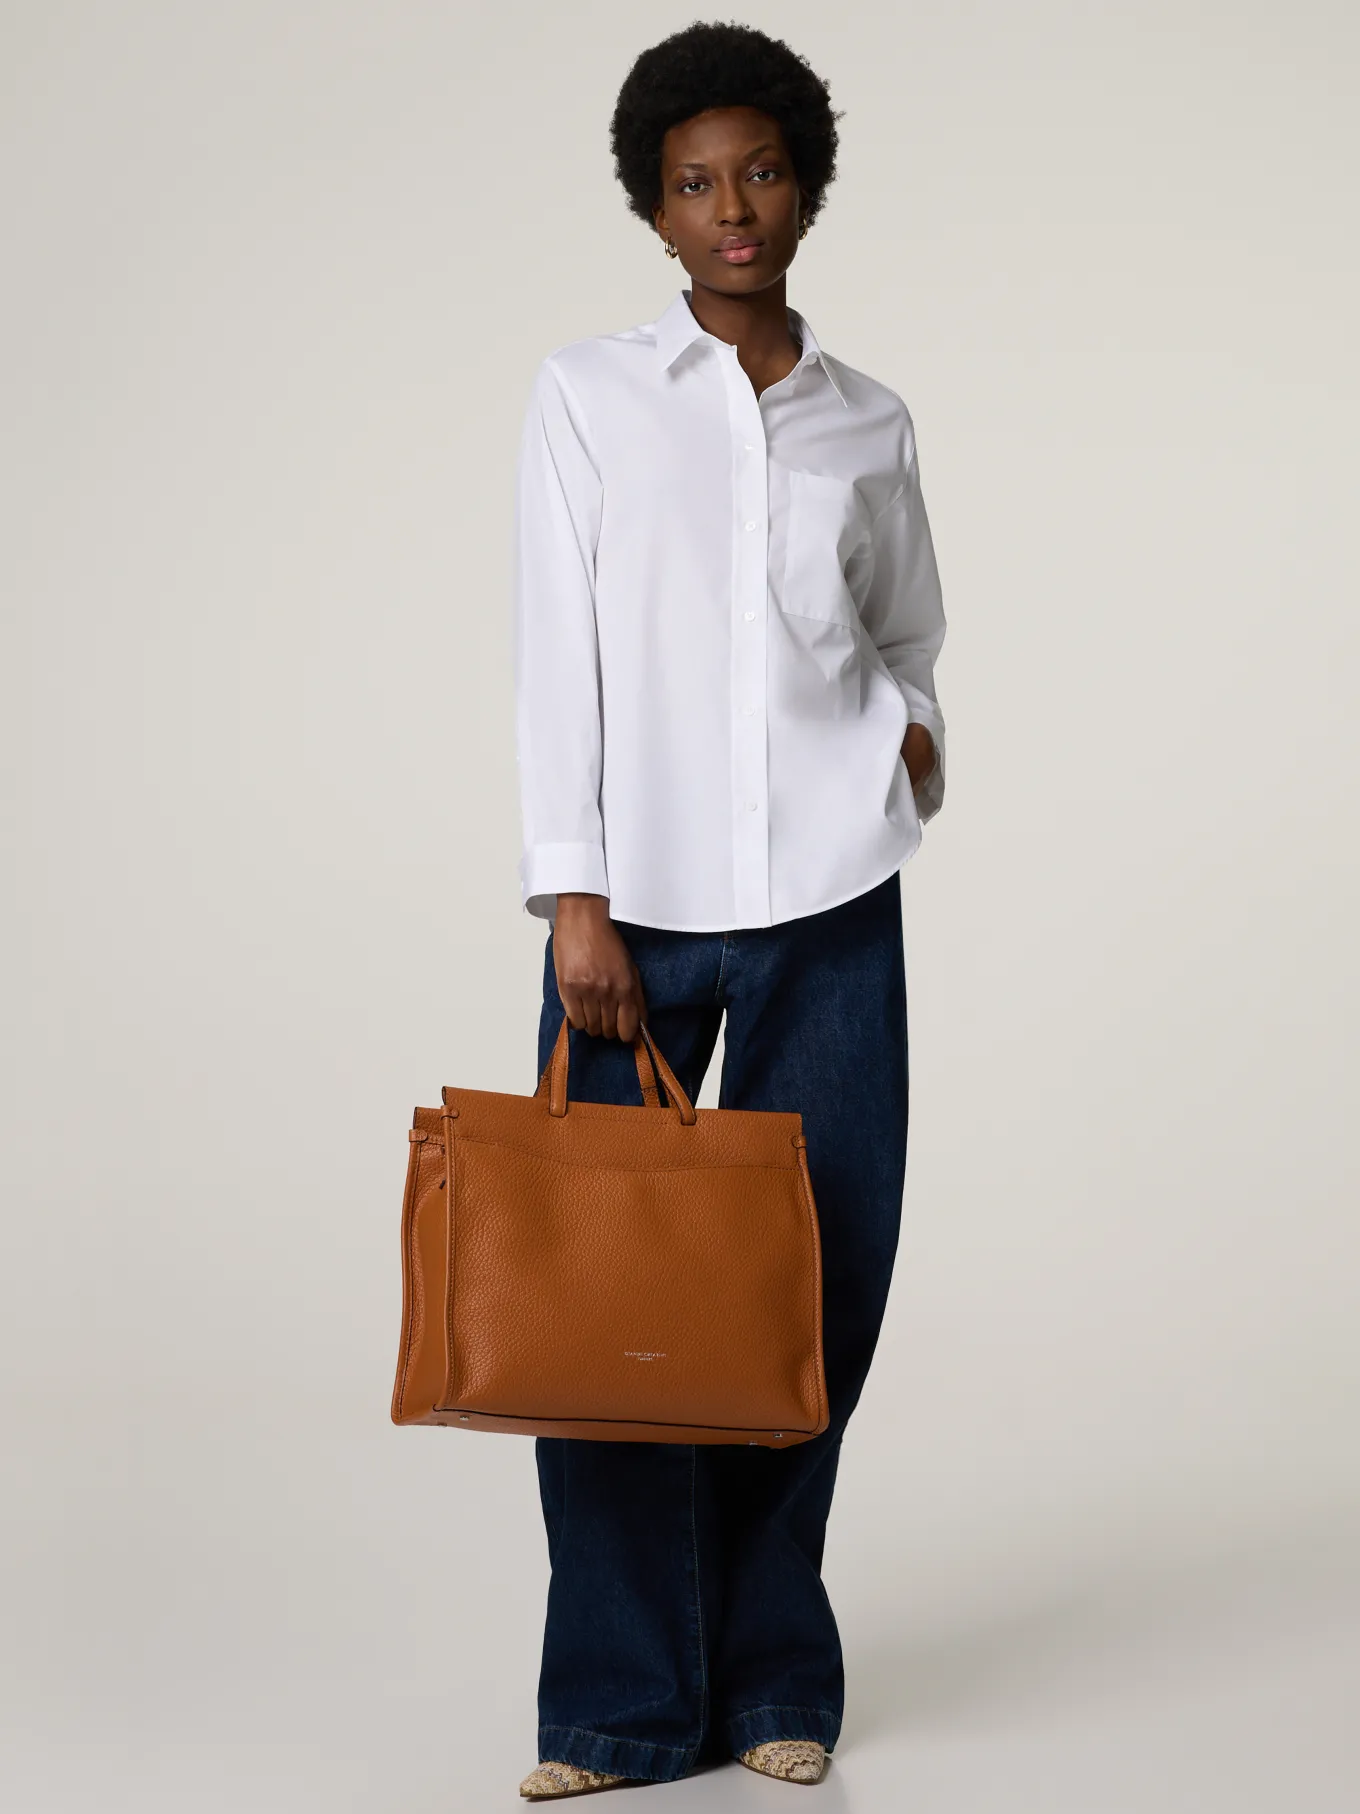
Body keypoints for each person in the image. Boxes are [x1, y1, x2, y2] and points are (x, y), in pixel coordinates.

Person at [511, 21, 947, 1800]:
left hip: (833, 901)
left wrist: (915, 739)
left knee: (809, 1297)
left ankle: (776, 1676)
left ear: (805, 185)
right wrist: (576, 897)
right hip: (636, 916)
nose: (732, 208)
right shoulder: (587, 397)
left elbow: (908, 627)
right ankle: (619, 1708)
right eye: (694, 183)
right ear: (655, 208)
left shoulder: (869, 418)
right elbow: (557, 655)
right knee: (603, 1301)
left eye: (760, 171)